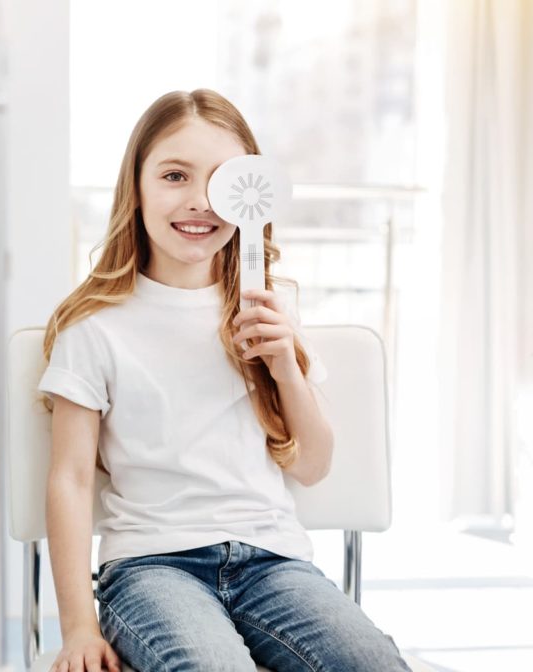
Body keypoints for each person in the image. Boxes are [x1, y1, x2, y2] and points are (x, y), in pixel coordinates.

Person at [38, 89, 409, 672]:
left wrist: (286, 365)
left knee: (375, 663)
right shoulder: (94, 327)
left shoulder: (272, 305)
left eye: (220, 181)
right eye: (175, 176)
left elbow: (312, 464)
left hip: (274, 561)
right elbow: (70, 480)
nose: (199, 202)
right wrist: (78, 626)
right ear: (134, 187)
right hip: (152, 567)